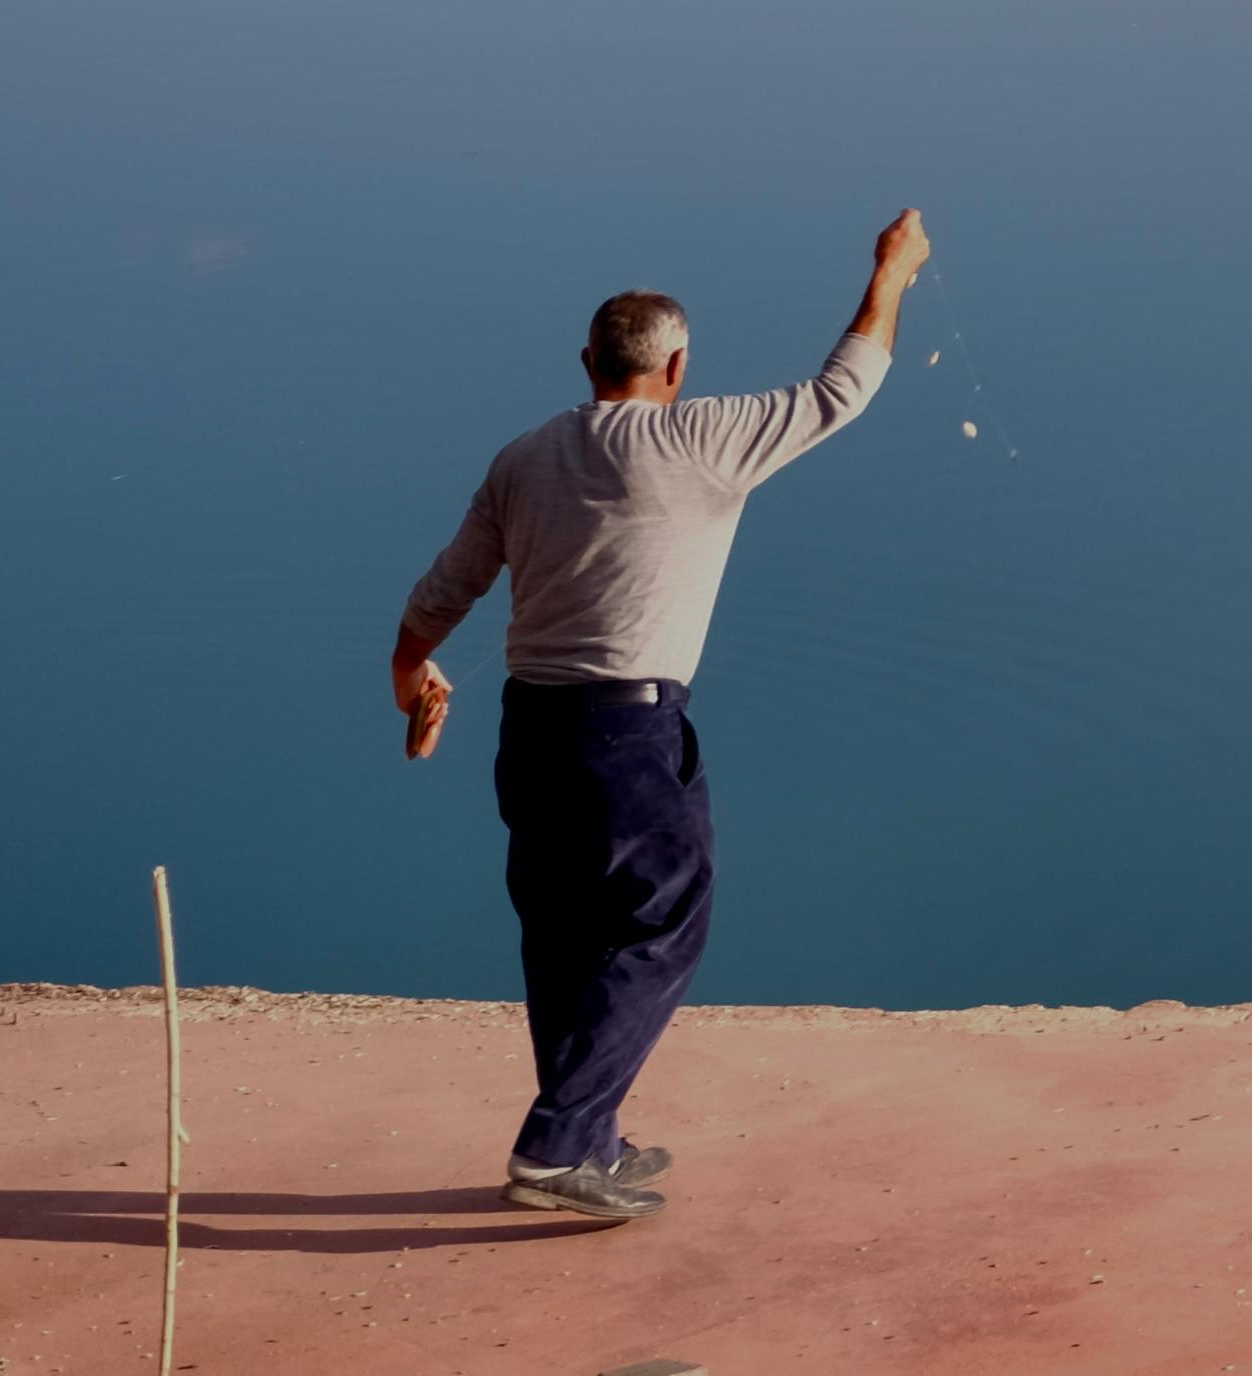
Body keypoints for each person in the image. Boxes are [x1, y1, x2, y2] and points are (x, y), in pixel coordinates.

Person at [390, 209, 932, 1225]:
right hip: (623, 736)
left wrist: (409, 676)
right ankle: (555, 1146)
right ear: (675, 364)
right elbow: (843, 386)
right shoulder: (701, 437)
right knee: (661, 925)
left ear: (588, 359)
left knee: (562, 938)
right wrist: (892, 270)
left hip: (530, 729)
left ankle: (587, 1136)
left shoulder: (523, 454)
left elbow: (443, 590)